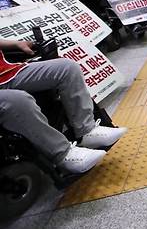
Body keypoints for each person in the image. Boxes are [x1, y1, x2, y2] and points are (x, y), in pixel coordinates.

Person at [0, 38, 127, 173]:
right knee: (18, 101)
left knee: (67, 68)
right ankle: (63, 154)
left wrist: (15, 44)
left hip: (5, 73)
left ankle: (86, 130)